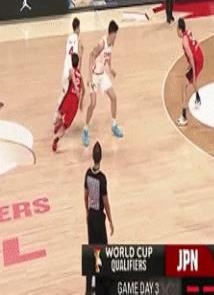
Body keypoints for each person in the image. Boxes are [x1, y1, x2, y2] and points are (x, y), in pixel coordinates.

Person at [82, 21, 123, 147]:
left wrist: (110, 68)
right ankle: (85, 129)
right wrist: (89, 76)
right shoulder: (102, 43)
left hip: (102, 74)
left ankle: (114, 125)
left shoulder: (111, 44)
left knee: (114, 97)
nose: (116, 37)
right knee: (93, 104)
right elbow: (91, 55)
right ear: (111, 33)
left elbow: (108, 56)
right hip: (95, 76)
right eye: (115, 34)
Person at [85, 141, 114, 295]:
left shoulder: (87, 174)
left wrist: (87, 212)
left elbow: (85, 196)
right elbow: (105, 202)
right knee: (102, 249)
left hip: (91, 215)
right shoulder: (102, 178)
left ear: (92, 156)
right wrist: (110, 220)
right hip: (98, 218)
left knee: (92, 249)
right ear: (101, 157)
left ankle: (89, 288)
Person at [52, 53, 84, 152]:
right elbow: (83, 89)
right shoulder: (80, 74)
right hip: (75, 102)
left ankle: (58, 123)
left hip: (69, 97)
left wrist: (75, 87)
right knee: (65, 126)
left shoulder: (71, 71)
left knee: (59, 113)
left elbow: (72, 77)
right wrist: (81, 101)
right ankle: (57, 138)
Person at [176, 18, 203, 127]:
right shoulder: (188, 32)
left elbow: (191, 56)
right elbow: (196, 44)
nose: (176, 32)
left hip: (196, 62)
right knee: (191, 79)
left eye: (176, 29)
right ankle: (198, 97)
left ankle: (184, 117)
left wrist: (194, 71)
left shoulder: (184, 41)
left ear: (179, 29)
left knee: (183, 86)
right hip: (200, 58)